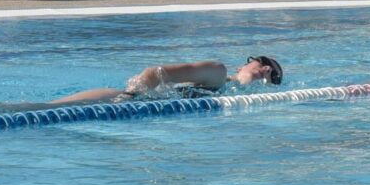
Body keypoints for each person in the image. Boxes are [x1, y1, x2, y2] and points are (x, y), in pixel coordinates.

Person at [43, 55, 283, 108]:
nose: (266, 69)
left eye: (274, 75)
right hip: (118, 99)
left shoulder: (232, 99)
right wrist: (128, 98)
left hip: (133, 109)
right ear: (242, 66)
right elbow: (154, 73)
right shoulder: (217, 73)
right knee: (39, 109)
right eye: (263, 62)